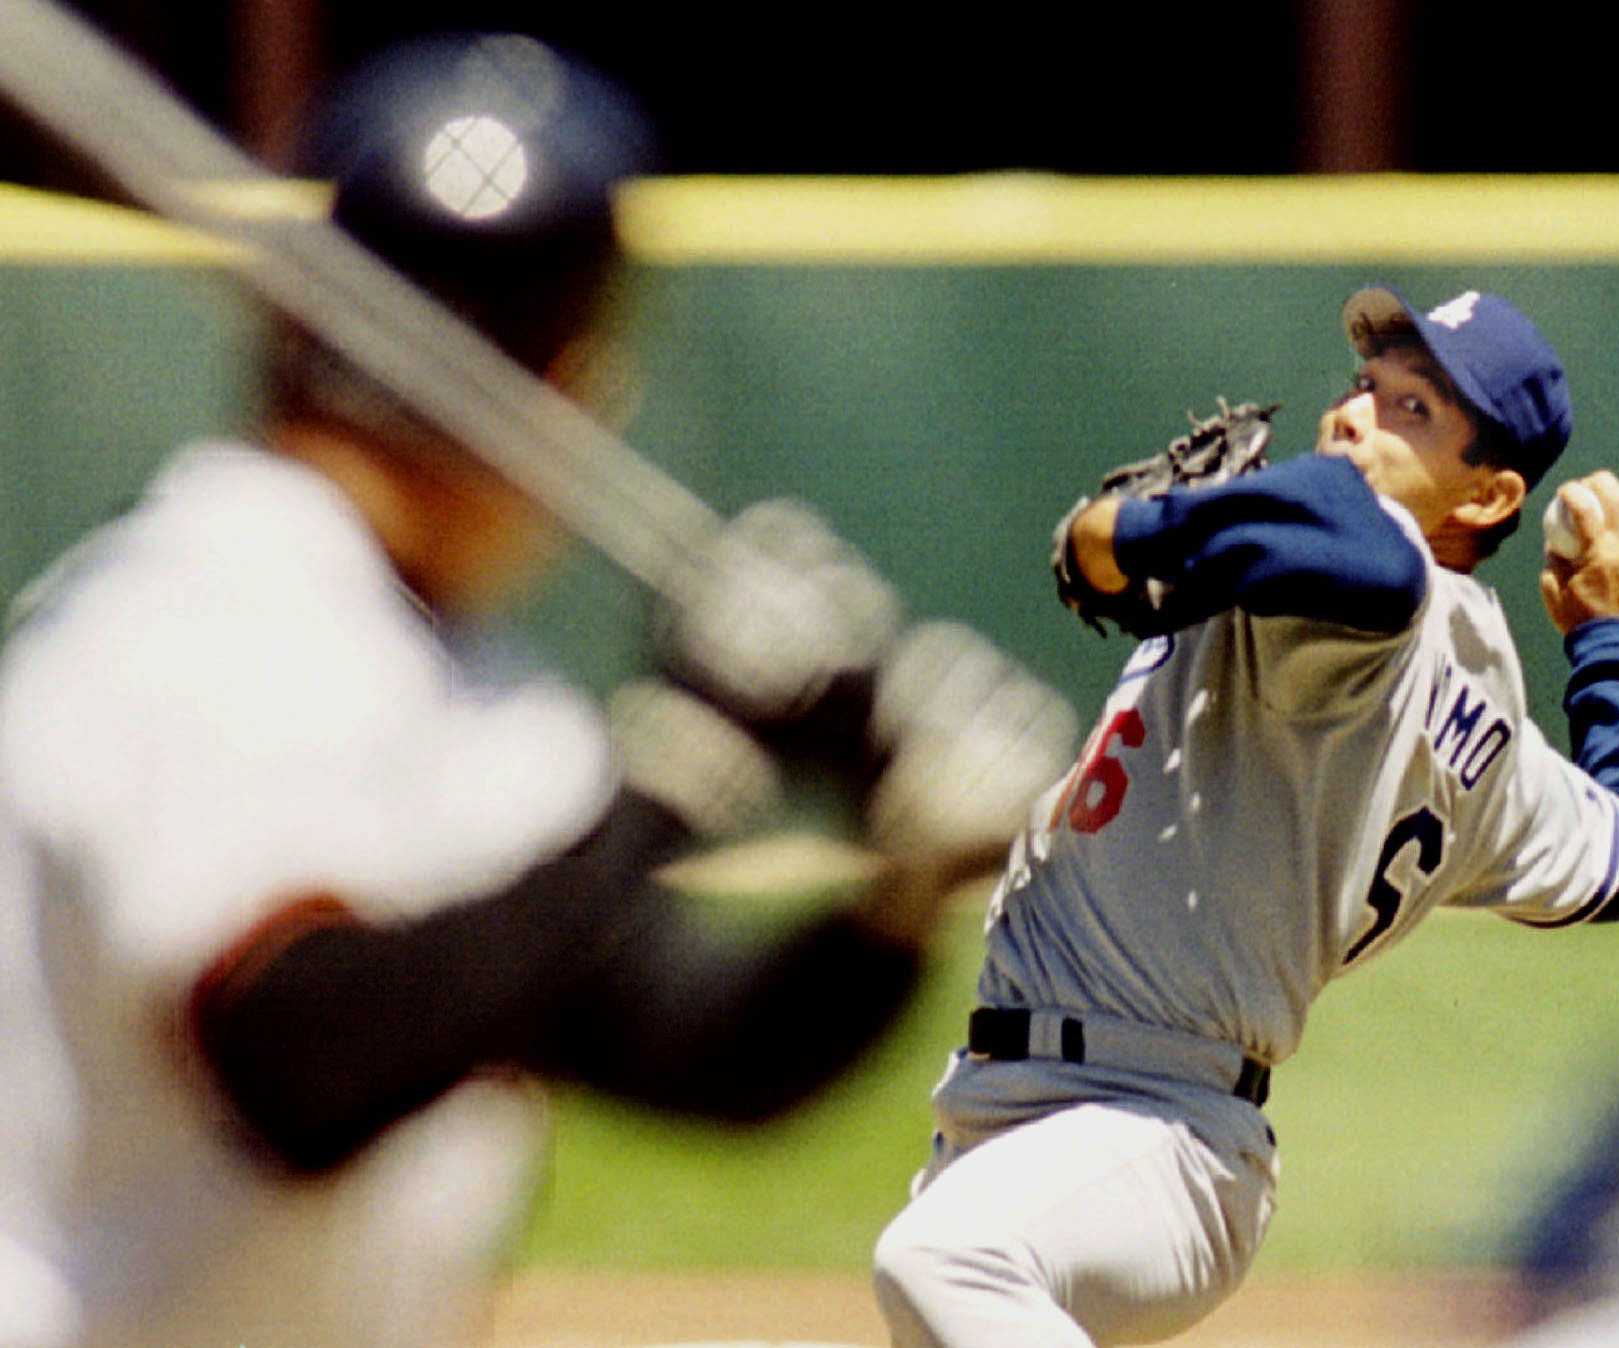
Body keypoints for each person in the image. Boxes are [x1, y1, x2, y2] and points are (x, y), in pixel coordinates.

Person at [0, 32, 1040, 1348]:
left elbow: (679, 1045)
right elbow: (297, 1054)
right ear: (574, 387)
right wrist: (676, 777)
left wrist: (890, 904)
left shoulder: (469, 686)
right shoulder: (196, 611)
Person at [871, 284, 1619, 1346]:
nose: (1357, 412)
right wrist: (1608, 635)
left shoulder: (1374, 590)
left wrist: (1125, 534)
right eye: (1366, 385)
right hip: (1064, 1117)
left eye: (1413, 412)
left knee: (946, 1261)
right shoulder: (1482, 710)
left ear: (1487, 499)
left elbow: (1368, 550)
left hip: (1149, 1125)